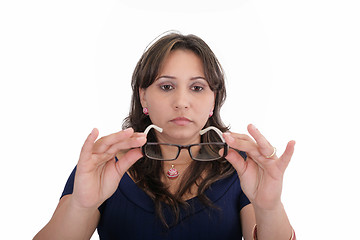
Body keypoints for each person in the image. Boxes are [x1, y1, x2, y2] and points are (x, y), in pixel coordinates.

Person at [34, 32, 296, 240]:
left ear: (213, 100)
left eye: (197, 87)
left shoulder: (243, 168)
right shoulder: (102, 165)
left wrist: (270, 208)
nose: (181, 101)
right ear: (143, 96)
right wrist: (81, 206)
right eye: (167, 86)